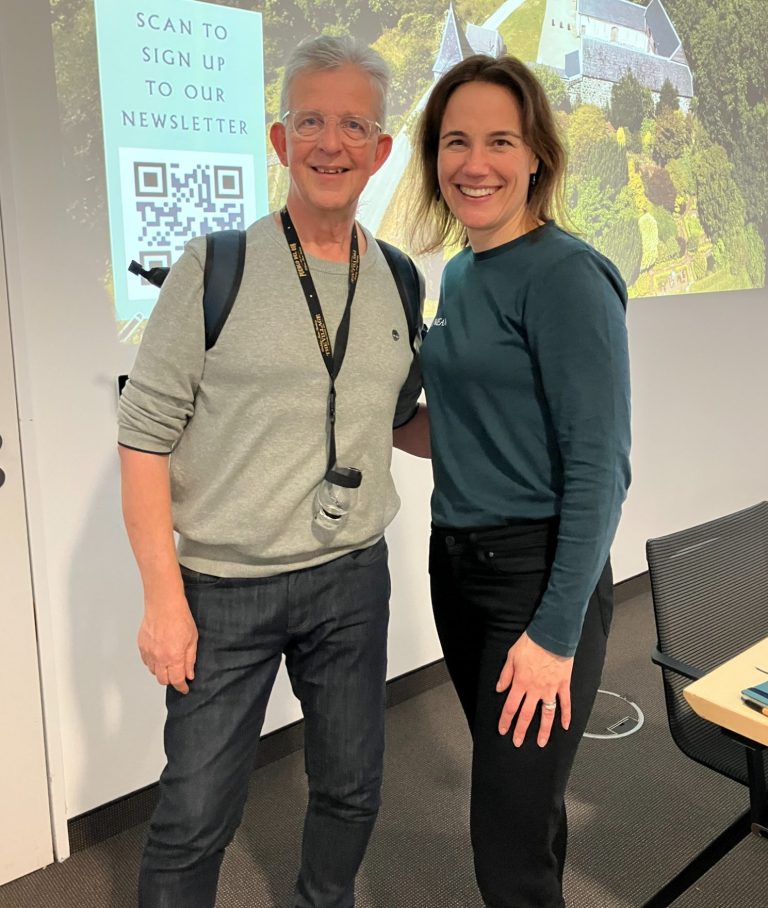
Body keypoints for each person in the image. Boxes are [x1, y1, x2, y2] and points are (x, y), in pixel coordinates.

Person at [118, 34, 427, 908]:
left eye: (354, 125)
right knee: (194, 817)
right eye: (311, 122)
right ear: (281, 140)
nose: (332, 143)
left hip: (352, 578)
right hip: (225, 588)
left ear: (381, 150)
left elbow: (397, 421)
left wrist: (516, 434)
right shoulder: (215, 267)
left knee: (351, 791)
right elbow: (143, 436)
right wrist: (162, 600)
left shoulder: (400, 278)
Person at [410, 55, 632, 908]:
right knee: (526, 812)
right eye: (456, 142)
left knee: (504, 848)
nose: (476, 163)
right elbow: (460, 431)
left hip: (535, 582)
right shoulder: (461, 273)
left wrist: (555, 634)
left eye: (500, 140)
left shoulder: (567, 275)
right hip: (457, 570)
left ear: (536, 154)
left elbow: (600, 471)